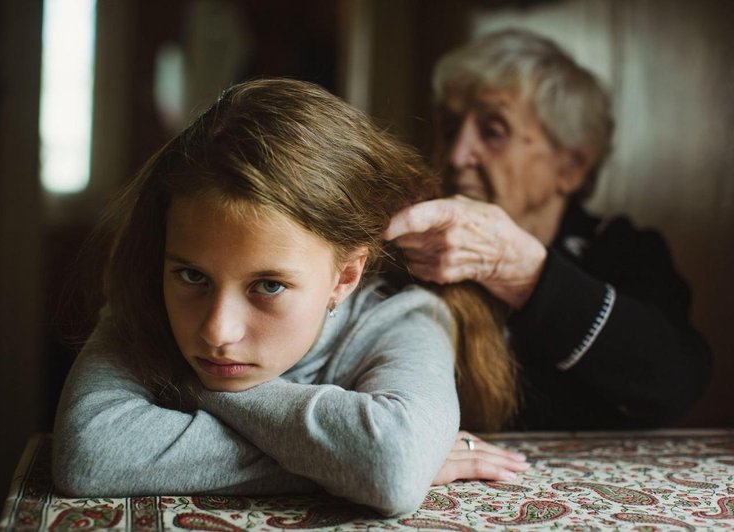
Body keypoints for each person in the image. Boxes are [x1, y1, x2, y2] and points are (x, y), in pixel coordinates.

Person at [51, 78, 528, 516]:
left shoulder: (403, 319)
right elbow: (87, 453)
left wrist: (185, 384)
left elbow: (392, 468)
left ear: (344, 277)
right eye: (193, 277)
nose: (217, 330)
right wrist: (341, 463)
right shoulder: (146, 299)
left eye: (269, 286)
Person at [385, 30, 712, 435]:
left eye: (493, 131)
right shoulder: (409, 245)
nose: (457, 154)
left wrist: (518, 270)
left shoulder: (622, 249)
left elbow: (675, 383)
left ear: (570, 167)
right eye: (451, 128)